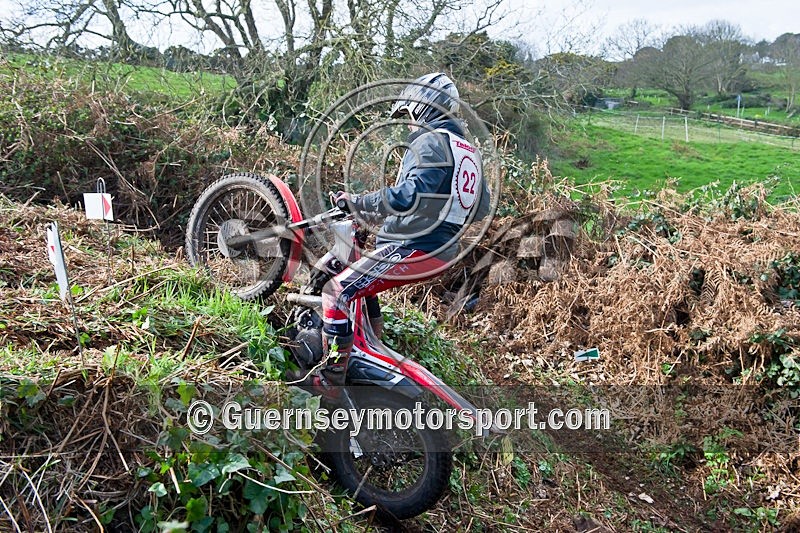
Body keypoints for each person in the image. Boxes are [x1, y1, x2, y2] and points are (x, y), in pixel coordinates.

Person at [291, 72, 491, 396]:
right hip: (440, 249)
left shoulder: (432, 140)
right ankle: (370, 346)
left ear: (424, 108)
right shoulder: (467, 150)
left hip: (414, 246)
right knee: (363, 286)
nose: (410, 125)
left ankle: (329, 381)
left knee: (336, 292)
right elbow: (480, 208)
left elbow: (409, 195)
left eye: (411, 115)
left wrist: (358, 202)